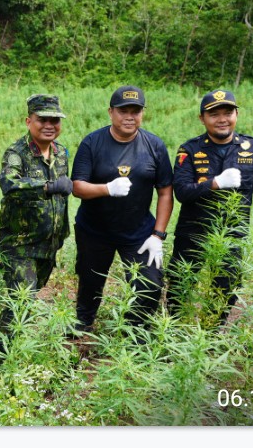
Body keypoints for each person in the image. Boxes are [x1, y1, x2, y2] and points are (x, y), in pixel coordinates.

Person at [70, 85, 174, 336]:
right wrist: (107, 188)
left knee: (149, 283)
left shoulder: (154, 146)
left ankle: (135, 330)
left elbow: (165, 192)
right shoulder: (92, 142)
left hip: (139, 232)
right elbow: (77, 187)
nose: (129, 117)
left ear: (142, 113)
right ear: (111, 112)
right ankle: (83, 323)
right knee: (90, 280)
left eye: (135, 111)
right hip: (95, 230)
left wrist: (158, 235)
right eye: (123, 111)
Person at [167, 89, 253, 323]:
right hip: (193, 231)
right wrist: (214, 184)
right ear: (202, 118)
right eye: (214, 114)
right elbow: (181, 191)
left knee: (226, 287)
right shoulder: (189, 150)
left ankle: (212, 332)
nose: (222, 119)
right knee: (180, 283)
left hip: (233, 233)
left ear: (237, 115)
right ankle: (174, 329)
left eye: (228, 113)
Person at [0, 94, 72, 332]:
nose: (49, 125)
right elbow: (9, 183)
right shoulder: (17, 152)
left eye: (55, 120)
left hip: (49, 244)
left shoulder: (61, 153)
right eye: (42, 120)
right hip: (20, 244)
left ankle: (13, 345)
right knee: (21, 300)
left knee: (27, 300)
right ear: (29, 121)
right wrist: (47, 186)